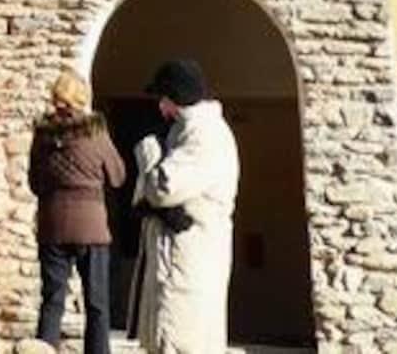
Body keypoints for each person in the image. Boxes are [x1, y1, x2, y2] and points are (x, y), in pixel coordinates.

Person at [131, 58, 240, 354]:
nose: (160, 107)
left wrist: (148, 154)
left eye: (162, 98)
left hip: (188, 257)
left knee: (180, 339)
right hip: (179, 256)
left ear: (174, 98)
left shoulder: (204, 135)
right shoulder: (187, 131)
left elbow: (162, 189)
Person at [28, 69, 127, 354]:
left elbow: (35, 183)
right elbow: (117, 176)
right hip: (91, 227)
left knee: (52, 300)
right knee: (97, 303)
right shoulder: (95, 132)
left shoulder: (43, 135)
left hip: (52, 224)